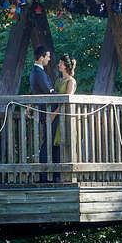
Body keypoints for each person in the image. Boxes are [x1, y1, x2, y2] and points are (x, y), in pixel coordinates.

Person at [30, 46, 57, 183]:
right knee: (47, 143)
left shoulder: (37, 71)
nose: (49, 59)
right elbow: (49, 91)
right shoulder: (38, 72)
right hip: (47, 111)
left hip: (46, 111)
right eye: (48, 56)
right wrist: (62, 95)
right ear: (41, 58)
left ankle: (48, 174)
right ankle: (43, 175)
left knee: (49, 142)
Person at [52, 53, 78, 149]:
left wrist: (54, 114)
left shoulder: (71, 81)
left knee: (65, 142)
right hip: (56, 114)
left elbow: (66, 101)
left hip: (65, 114)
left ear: (67, 66)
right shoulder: (58, 81)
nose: (59, 65)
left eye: (61, 63)